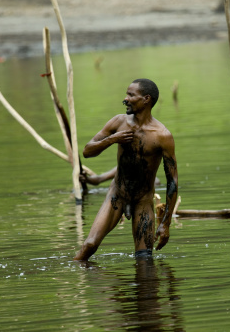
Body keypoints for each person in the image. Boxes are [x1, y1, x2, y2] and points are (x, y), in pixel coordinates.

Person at [74, 78, 178, 260]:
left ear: (146, 99)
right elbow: (87, 151)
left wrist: (165, 223)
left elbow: (172, 182)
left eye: (131, 95)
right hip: (117, 195)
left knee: (144, 259)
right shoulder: (118, 122)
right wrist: (113, 139)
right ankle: (75, 284)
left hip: (143, 201)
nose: (126, 99)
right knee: (89, 245)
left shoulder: (162, 136)